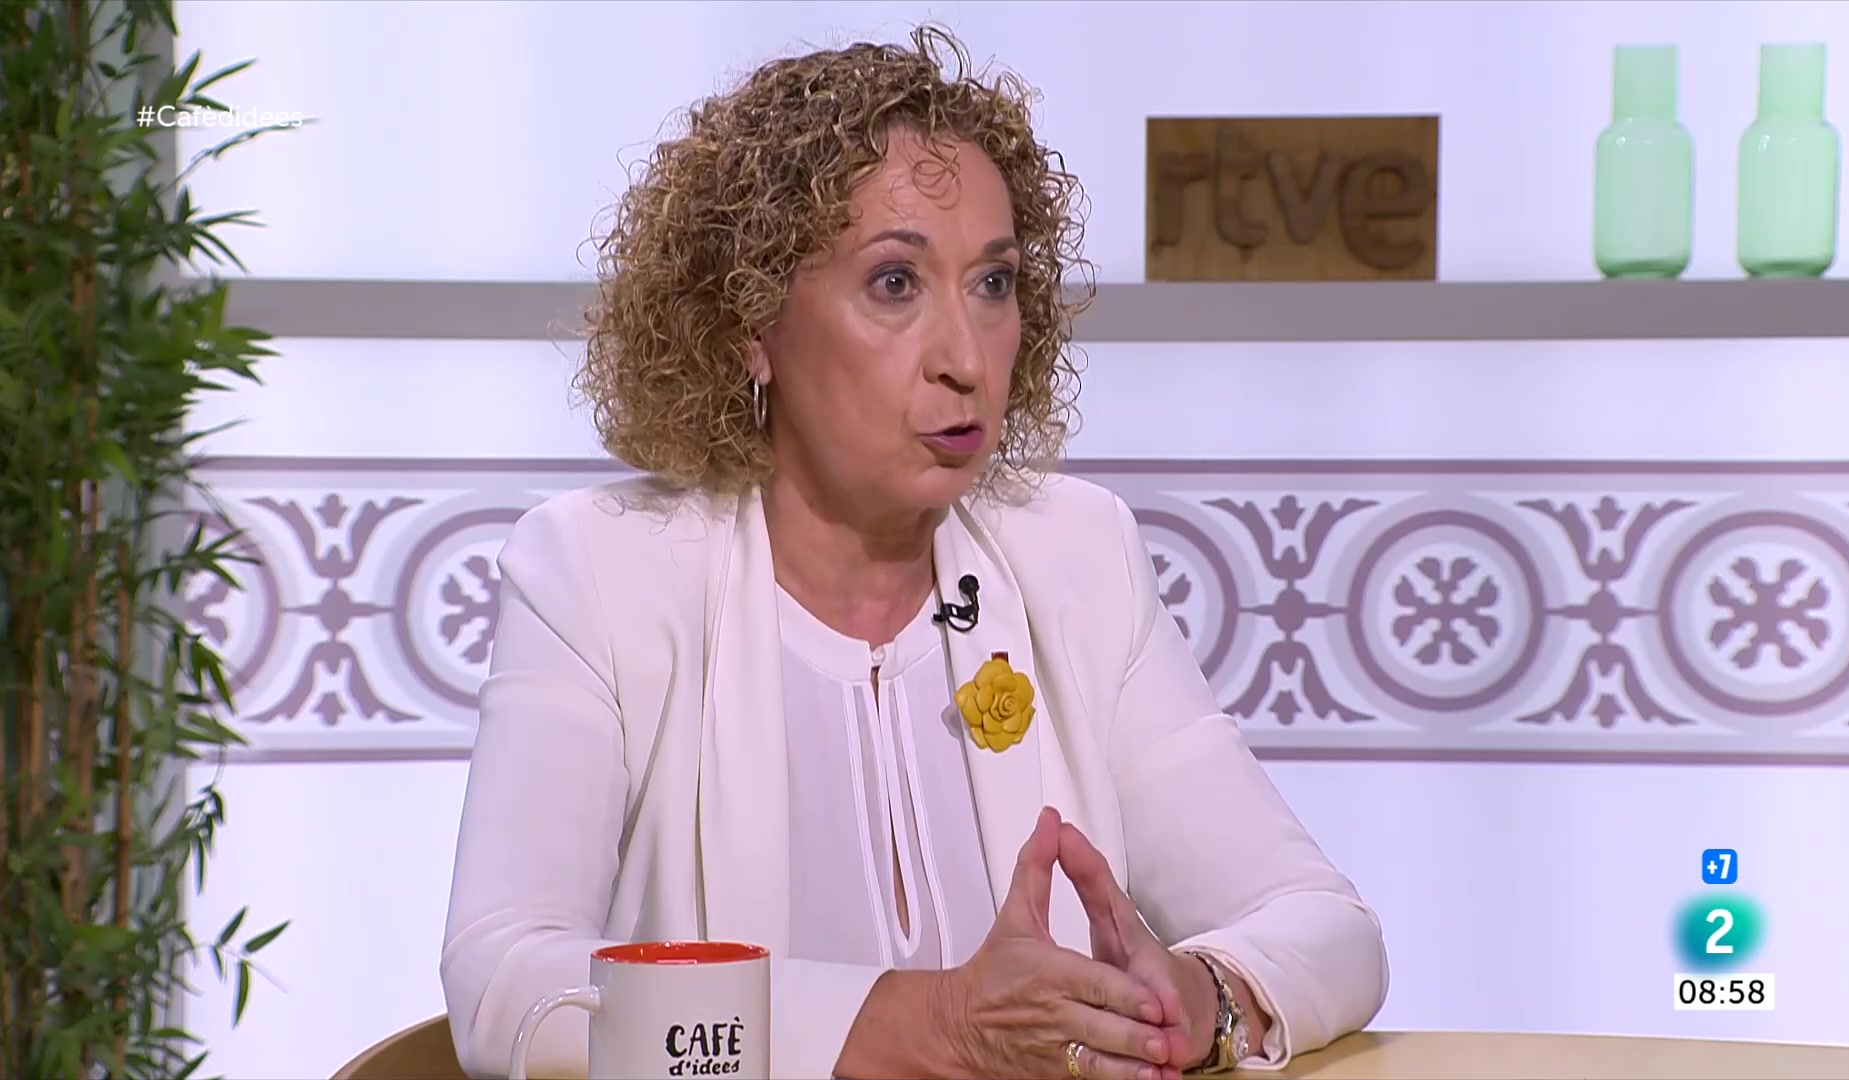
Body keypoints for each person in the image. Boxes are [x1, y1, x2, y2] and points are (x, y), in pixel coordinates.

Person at [440, 24, 1388, 1080]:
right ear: (751, 323)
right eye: (896, 283)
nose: (966, 359)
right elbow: (510, 984)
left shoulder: (1077, 556)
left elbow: (1325, 927)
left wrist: (1200, 998)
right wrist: (920, 1024)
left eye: (993, 284)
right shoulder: (600, 572)